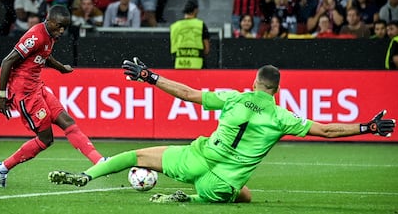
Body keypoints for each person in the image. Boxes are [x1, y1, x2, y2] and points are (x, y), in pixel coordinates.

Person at [48, 57, 395, 203]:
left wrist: (149, 77)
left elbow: (187, 93)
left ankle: (87, 174)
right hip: (222, 181)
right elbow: (328, 130)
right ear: (276, 90)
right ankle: (192, 199)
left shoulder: (234, 97)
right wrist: (367, 125)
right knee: (243, 194)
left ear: (256, 82)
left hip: (197, 158)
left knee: (134, 155)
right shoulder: (283, 118)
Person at [0, 5, 106, 188]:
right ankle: (3, 167)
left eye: (64, 28)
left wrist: (60, 68)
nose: (61, 31)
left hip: (37, 87)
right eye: (59, 26)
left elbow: (44, 55)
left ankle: (100, 162)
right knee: (46, 139)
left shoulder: (50, 35)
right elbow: (7, 61)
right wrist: (2, 95)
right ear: (49, 20)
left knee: (67, 122)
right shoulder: (35, 36)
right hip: (25, 93)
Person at [170, 0, 210, 69]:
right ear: (195, 10)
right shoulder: (201, 25)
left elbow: (173, 48)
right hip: (198, 65)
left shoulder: (175, 26)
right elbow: (206, 49)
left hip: (179, 64)